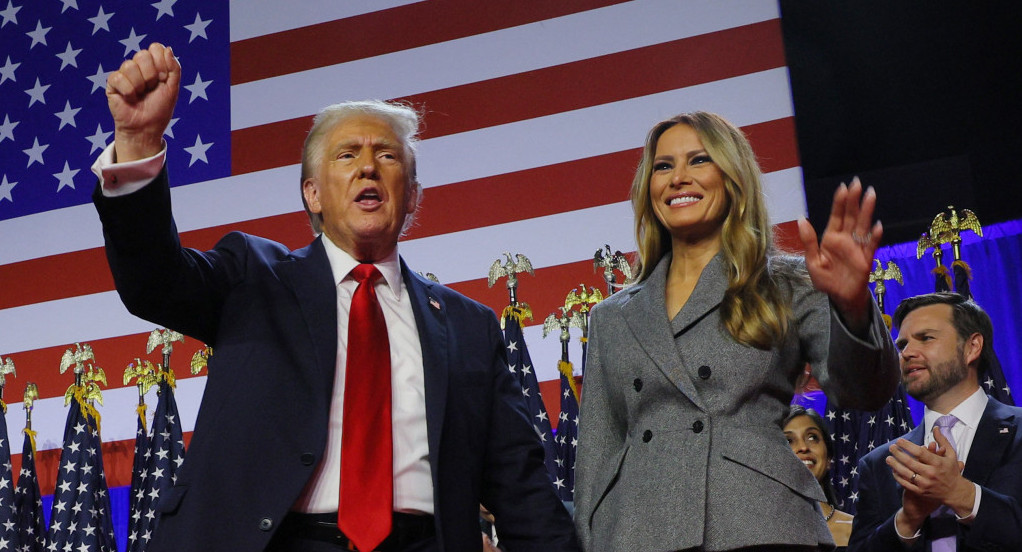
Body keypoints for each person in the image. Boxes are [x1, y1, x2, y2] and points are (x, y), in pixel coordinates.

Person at [94, 42, 578, 552]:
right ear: (313, 194)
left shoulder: (468, 327)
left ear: (412, 195)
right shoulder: (253, 278)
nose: (368, 167)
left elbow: (522, 490)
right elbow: (152, 280)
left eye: (387, 156)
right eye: (347, 155)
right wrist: (137, 143)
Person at [573, 111, 900, 551]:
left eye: (699, 161)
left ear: (733, 178)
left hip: (759, 522)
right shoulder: (612, 316)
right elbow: (597, 455)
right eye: (663, 166)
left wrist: (852, 306)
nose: (678, 178)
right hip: (639, 531)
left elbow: (864, 391)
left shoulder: (788, 282)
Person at [848, 293, 1022, 551]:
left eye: (926, 338)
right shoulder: (880, 464)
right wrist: (906, 521)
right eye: (902, 345)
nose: (907, 353)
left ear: (972, 347)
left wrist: (959, 493)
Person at [784, 405, 855, 550]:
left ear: (828, 458)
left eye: (812, 437)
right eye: (788, 441)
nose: (803, 447)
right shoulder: (759, 533)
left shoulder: (856, 531)